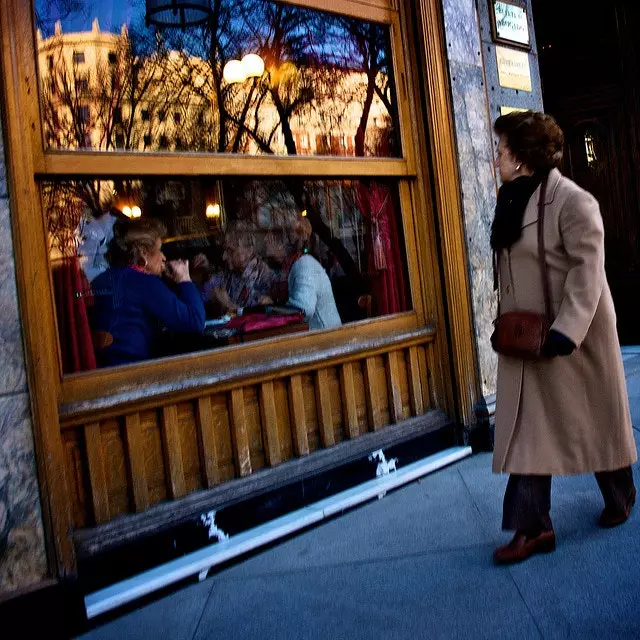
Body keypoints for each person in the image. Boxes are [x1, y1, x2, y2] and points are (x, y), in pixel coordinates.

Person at [490, 111, 637, 565]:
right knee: (529, 434)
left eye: (500, 149)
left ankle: (621, 495)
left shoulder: (573, 201)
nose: (495, 157)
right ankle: (534, 529)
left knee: (594, 423)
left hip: (572, 339)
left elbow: (587, 272)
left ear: (520, 155)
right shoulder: (512, 198)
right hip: (527, 338)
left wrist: (566, 332)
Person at [90, 218, 205, 366]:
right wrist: (184, 279)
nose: (163, 257)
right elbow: (194, 322)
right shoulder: (143, 282)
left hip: (100, 373)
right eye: (159, 250)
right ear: (143, 254)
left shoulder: (101, 280)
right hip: (133, 373)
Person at [282, 217, 342, 330]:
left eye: (285, 235)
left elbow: (305, 309)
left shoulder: (305, 264)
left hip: (325, 340)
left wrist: (275, 311)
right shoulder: (296, 264)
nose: (267, 240)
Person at [203, 222, 275, 315]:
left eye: (230, 251)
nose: (224, 257)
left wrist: (228, 305)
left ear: (249, 251)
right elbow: (205, 293)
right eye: (224, 250)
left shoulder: (263, 278)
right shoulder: (231, 273)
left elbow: (255, 319)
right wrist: (204, 271)